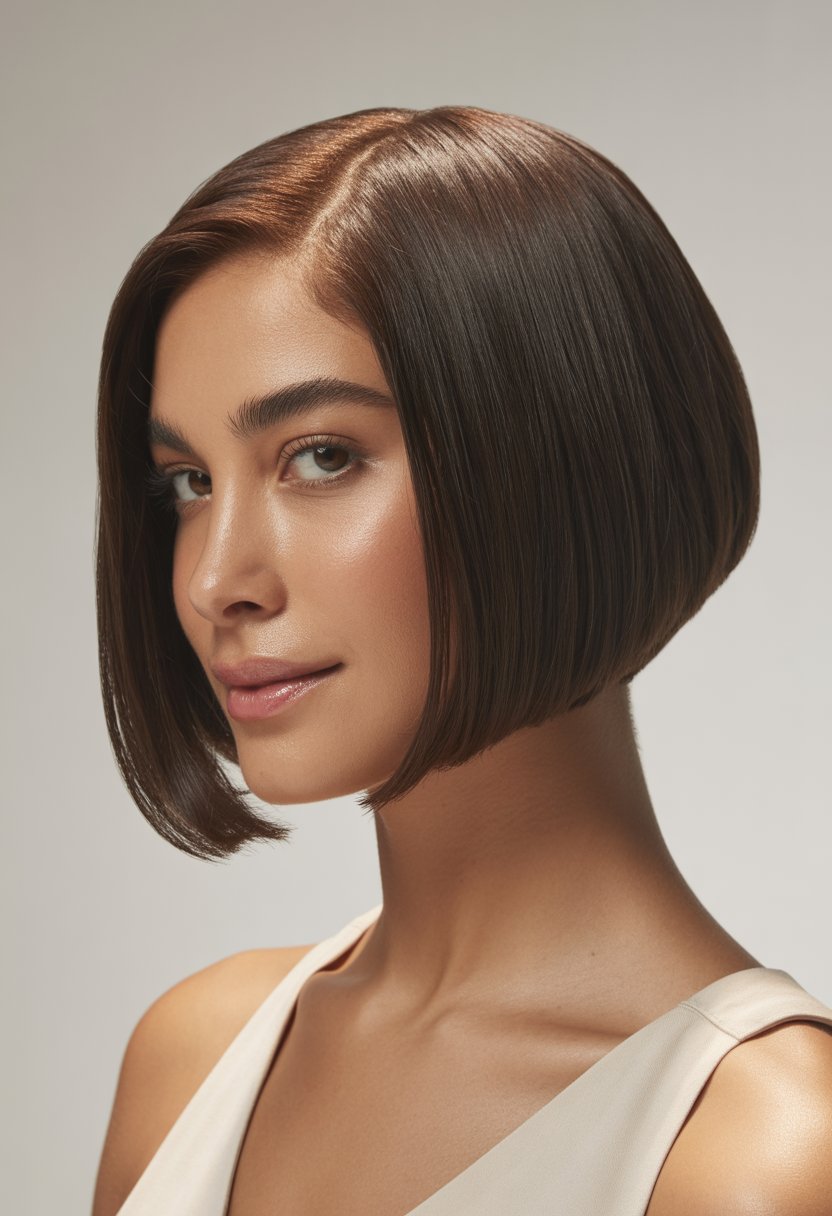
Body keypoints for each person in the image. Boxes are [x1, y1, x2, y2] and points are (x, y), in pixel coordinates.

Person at [91, 105, 832, 1216]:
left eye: (321, 457)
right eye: (190, 482)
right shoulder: (193, 1054)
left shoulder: (757, 1156)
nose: (213, 579)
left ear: (559, 462)